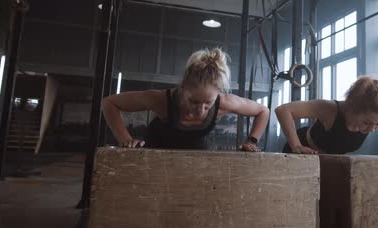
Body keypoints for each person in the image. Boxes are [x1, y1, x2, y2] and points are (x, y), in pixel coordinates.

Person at [102, 48, 269, 152]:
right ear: (183, 87)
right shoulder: (161, 100)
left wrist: (251, 141)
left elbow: (263, 111)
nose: (200, 110)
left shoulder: (224, 103)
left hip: (195, 154)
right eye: (194, 102)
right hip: (156, 154)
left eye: (207, 104)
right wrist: (125, 139)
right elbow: (109, 103)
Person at [275, 76, 378, 156]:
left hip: (327, 157)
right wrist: (296, 145)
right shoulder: (329, 109)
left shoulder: (377, 115)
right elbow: (283, 110)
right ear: (353, 108)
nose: (372, 128)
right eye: (368, 122)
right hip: (301, 150)